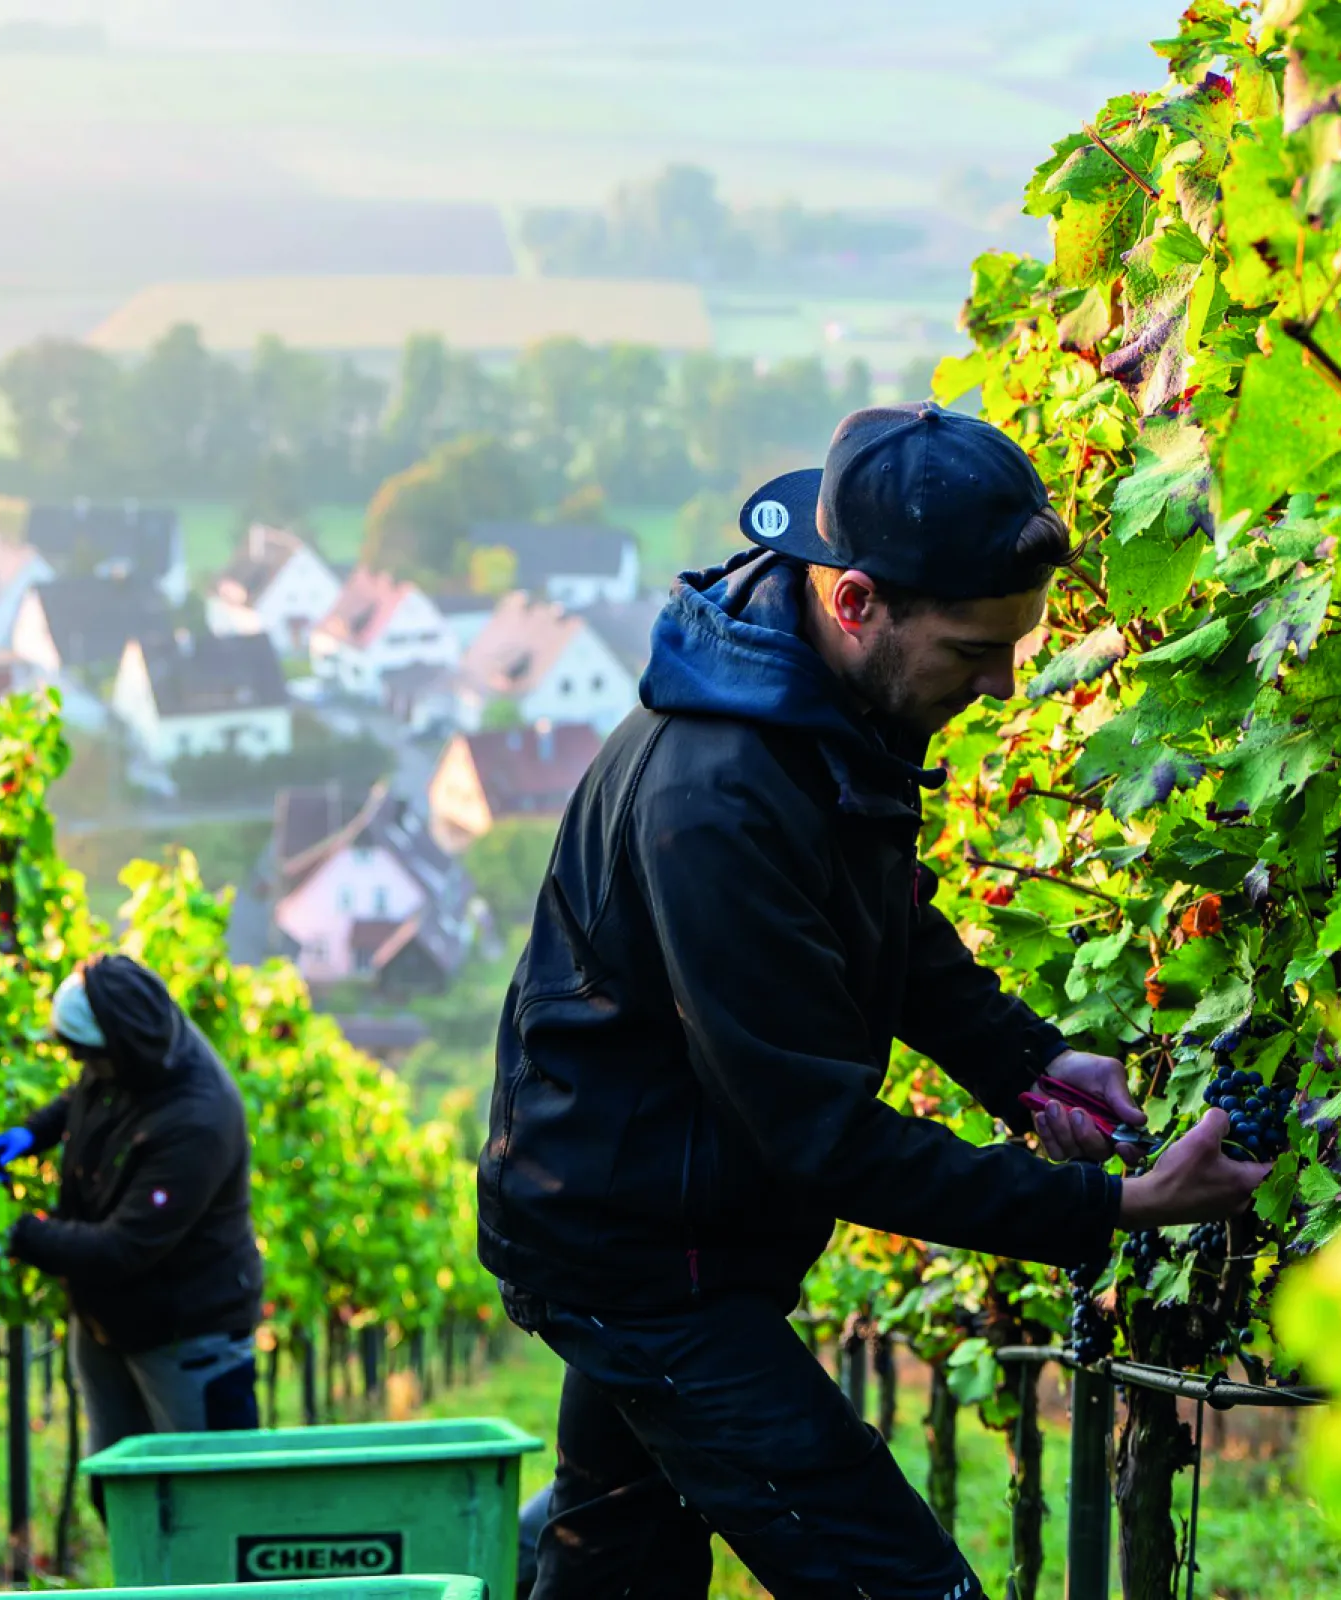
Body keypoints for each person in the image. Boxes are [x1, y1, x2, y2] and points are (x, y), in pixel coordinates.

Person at [478, 402, 1270, 1598]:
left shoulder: (815, 716)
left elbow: (882, 926)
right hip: (643, 1261)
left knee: (614, 1563)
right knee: (900, 1584)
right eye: (971, 651)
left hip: (662, 1228)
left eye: (1016, 642)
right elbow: (820, 1137)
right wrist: (1112, 1203)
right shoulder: (721, 795)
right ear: (854, 602)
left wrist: (1024, 1063)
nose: (1005, 683)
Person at [0, 954, 264, 1481]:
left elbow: (121, 1249)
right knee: (119, 1490)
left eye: (88, 1056)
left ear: (119, 1050)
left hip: (188, 1335)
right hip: (110, 1324)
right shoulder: (141, 1044)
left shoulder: (197, 1120)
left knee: (213, 1499)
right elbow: (86, 1095)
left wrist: (11, 1230)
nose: (82, 1067)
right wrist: (34, 1132)